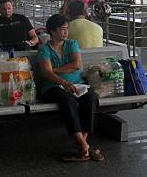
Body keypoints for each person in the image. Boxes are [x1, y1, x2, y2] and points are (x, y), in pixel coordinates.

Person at [37, 14, 103, 162]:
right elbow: (46, 74)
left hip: (76, 84)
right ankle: (83, 145)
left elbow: (77, 65)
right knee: (67, 100)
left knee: (91, 97)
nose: (66, 32)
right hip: (52, 86)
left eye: (67, 28)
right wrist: (63, 82)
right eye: (62, 29)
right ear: (52, 31)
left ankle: (82, 142)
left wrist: (54, 69)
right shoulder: (44, 50)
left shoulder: (72, 44)